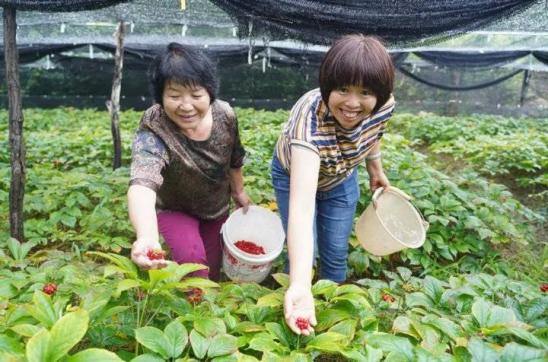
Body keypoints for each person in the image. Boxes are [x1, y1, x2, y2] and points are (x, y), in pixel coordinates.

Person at [271, 34, 395, 334]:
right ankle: (297, 305)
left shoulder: (385, 105)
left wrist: (374, 167)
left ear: (379, 93)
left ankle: (332, 317)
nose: (352, 103)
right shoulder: (309, 123)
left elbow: (373, 134)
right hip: (294, 177)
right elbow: (301, 210)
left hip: (341, 176)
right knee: (303, 251)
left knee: (336, 251)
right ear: (328, 85)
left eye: (365, 92)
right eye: (342, 89)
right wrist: (301, 285)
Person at [128, 42, 251, 280]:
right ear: (161, 96)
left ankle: (205, 310)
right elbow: (142, 182)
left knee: (212, 271)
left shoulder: (225, 115)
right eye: (174, 95)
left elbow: (235, 158)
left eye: (196, 95)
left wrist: (239, 192)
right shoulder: (155, 123)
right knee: (194, 267)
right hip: (175, 207)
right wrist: (147, 236)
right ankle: (194, 312)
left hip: (216, 208)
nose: (186, 106)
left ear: (210, 93)